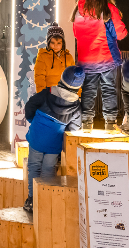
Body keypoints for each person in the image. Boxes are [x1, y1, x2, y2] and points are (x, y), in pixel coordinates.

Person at [22, 66, 85, 213]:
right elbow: (73, 129)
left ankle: (31, 199)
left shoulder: (47, 92)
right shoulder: (76, 106)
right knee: (48, 169)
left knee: (34, 166)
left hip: (37, 135)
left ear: (62, 79)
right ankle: (45, 200)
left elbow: (30, 105)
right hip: (54, 142)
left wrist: (33, 119)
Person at [71, 0, 128, 130]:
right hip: (106, 57)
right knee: (108, 89)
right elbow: (120, 33)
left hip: (86, 59)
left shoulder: (79, 9)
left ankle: (86, 122)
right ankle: (110, 122)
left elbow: (76, 33)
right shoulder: (108, 8)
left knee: (88, 90)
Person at [33, 23, 75, 93]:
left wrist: (77, 95)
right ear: (48, 42)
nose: (56, 46)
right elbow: (39, 78)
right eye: (53, 43)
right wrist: (42, 95)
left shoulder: (68, 57)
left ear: (63, 43)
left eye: (59, 43)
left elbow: (74, 78)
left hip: (65, 95)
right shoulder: (43, 56)